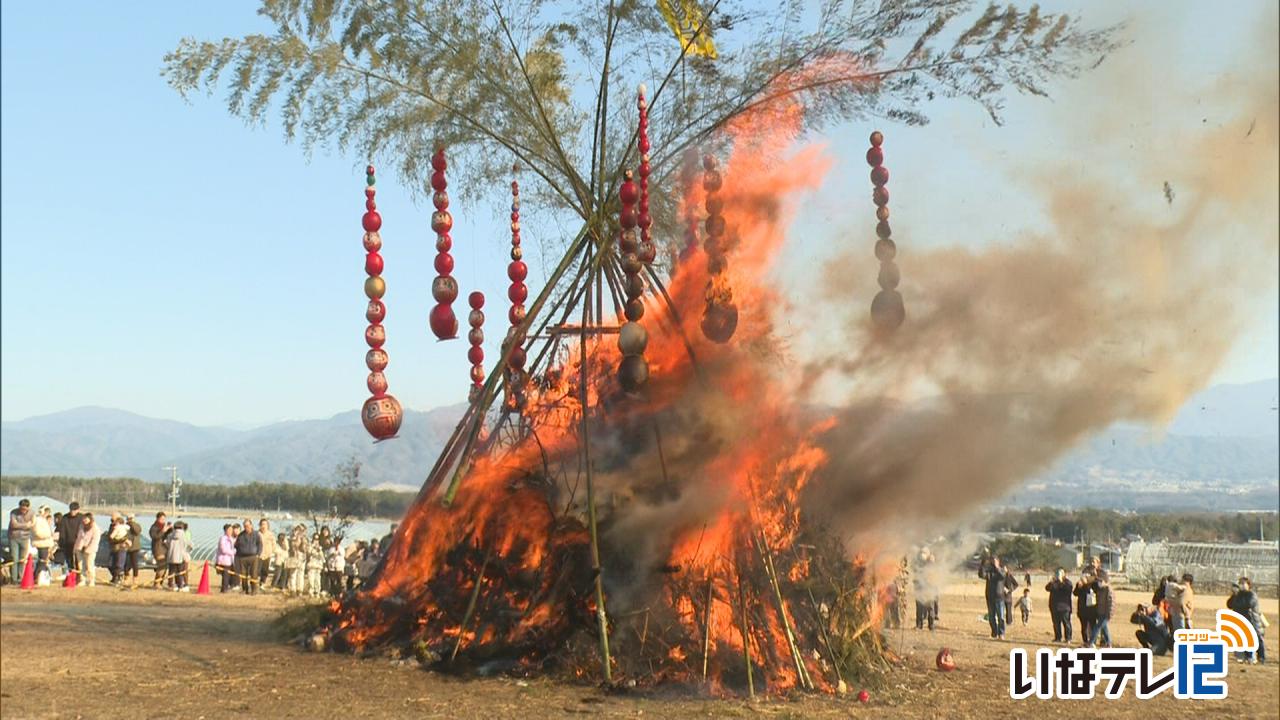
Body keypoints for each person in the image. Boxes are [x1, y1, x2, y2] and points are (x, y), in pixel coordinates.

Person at [1227, 577, 1267, 664]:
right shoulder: (1238, 595)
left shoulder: (1252, 595)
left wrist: (1237, 603)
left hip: (1253, 620)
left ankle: (1261, 657)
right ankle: (1248, 657)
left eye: (1244, 583)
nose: (1242, 585)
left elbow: (1248, 604)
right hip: (1242, 620)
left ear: (1248, 585)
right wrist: (1234, 595)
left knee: (1257, 639)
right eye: (1240, 583)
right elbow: (1230, 605)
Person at [980, 555, 1010, 639]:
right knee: (991, 617)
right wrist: (983, 564)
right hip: (990, 596)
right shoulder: (989, 571)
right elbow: (982, 575)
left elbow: (1002, 576)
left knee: (1001, 617)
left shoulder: (1001, 570)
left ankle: (1001, 633)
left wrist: (997, 567)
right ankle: (994, 633)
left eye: (995, 560)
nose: (993, 562)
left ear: (998, 561)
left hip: (999, 597)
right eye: (992, 561)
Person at [7, 498, 35, 584]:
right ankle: (14, 579)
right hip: (14, 538)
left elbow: (32, 524)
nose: (23, 511)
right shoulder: (14, 512)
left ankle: (21, 578)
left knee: (22, 559)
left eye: (25, 509)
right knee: (14, 558)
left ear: (28, 508)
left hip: (25, 538)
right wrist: (26, 525)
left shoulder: (32, 513)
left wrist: (22, 525)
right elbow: (13, 524)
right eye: (21, 508)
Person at [1045, 568, 1074, 643]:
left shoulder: (1067, 582)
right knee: (1056, 623)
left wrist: (1061, 581)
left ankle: (1068, 638)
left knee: (1066, 623)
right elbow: (1047, 588)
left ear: (1064, 574)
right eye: (1057, 573)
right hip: (1054, 606)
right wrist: (1052, 581)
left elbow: (1069, 589)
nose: (1058, 574)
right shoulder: (1054, 582)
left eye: (1060, 573)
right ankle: (1058, 637)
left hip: (1064, 607)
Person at [1087, 570, 1114, 648]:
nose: (1099, 583)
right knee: (1104, 628)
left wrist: (1109, 614)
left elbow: (1111, 603)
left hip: (1106, 614)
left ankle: (1091, 642)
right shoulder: (1100, 590)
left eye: (1101, 581)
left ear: (1105, 581)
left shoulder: (1108, 590)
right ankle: (1109, 643)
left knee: (1097, 627)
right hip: (1100, 612)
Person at [234, 519, 261, 595]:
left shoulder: (256, 534)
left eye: (248, 526)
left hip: (253, 557)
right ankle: (245, 589)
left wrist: (258, 554)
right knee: (243, 574)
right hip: (243, 557)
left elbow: (260, 545)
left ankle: (254, 590)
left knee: (253, 574)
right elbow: (236, 545)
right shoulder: (241, 535)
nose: (247, 527)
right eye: (245, 526)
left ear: (251, 525)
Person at [74, 512, 101, 587]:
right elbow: (79, 538)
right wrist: (76, 547)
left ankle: (91, 580)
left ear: (90, 519)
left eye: (86, 518)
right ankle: (82, 580)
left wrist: (88, 548)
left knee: (89, 565)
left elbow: (95, 540)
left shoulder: (95, 528)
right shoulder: (81, 527)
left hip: (90, 550)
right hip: (80, 548)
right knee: (80, 565)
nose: (85, 520)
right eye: (84, 518)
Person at [165, 521, 193, 592]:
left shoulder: (170, 535)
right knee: (180, 572)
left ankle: (171, 585)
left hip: (171, 556)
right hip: (180, 556)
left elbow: (166, 543)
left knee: (171, 571)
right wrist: (187, 551)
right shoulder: (183, 535)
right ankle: (180, 585)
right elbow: (190, 544)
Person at [31, 505, 56, 584]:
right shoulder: (37, 520)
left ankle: (38, 576)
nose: (47, 514)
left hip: (46, 543)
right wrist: (48, 535)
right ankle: (36, 576)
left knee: (43, 561)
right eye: (46, 512)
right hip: (41, 543)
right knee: (42, 561)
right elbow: (37, 532)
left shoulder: (43, 520)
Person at [1074, 568, 1098, 646]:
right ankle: (1085, 641)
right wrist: (1079, 586)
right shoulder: (1080, 585)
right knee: (1084, 627)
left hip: (1092, 610)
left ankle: (1093, 641)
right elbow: (1075, 593)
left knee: (1093, 626)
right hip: (1082, 610)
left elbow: (1093, 593)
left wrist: (1087, 584)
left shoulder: (1094, 585)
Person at [57, 502, 83, 574]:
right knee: (69, 561)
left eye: (74, 510)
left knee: (79, 561)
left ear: (78, 510)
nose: (72, 512)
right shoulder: (65, 518)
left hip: (78, 543)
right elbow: (62, 531)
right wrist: (61, 542)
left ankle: (79, 576)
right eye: (71, 510)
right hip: (67, 543)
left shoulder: (82, 518)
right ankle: (71, 575)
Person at [107, 513, 130, 584]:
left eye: (113, 518)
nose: (112, 519)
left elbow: (127, 536)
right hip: (113, 547)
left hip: (121, 547)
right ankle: (115, 577)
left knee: (119, 564)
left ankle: (118, 578)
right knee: (110, 564)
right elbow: (110, 536)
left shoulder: (124, 527)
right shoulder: (112, 526)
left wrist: (121, 540)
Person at [149, 512, 170, 588]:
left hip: (165, 549)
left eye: (164, 519)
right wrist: (163, 531)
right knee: (161, 566)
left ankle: (160, 583)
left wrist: (169, 529)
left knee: (164, 567)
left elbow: (166, 536)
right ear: (157, 518)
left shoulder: (164, 527)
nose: (163, 520)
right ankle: (156, 583)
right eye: (161, 519)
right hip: (158, 549)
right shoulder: (154, 527)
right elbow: (155, 537)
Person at [124, 513, 143, 588]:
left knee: (135, 564)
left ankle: (135, 579)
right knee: (126, 564)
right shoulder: (125, 526)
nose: (130, 520)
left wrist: (132, 523)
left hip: (135, 547)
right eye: (129, 518)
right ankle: (126, 577)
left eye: (131, 518)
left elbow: (137, 531)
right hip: (126, 547)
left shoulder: (137, 525)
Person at [216, 524, 237, 592]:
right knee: (225, 575)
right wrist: (233, 552)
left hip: (230, 560)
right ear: (226, 530)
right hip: (224, 560)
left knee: (230, 575)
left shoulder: (231, 538)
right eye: (229, 530)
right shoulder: (223, 538)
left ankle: (228, 587)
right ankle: (224, 589)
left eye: (231, 530)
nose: (231, 531)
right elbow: (223, 549)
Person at [257, 519, 275, 589]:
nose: (263, 526)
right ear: (260, 525)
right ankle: (255, 583)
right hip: (259, 555)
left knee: (265, 570)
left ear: (268, 525)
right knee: (257, 570)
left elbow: (274, 544)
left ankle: (262, 584)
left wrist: (272, 552)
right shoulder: (257, 533)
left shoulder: (270, 534)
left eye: (265, 524)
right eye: (262, 524)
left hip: (267, 555)